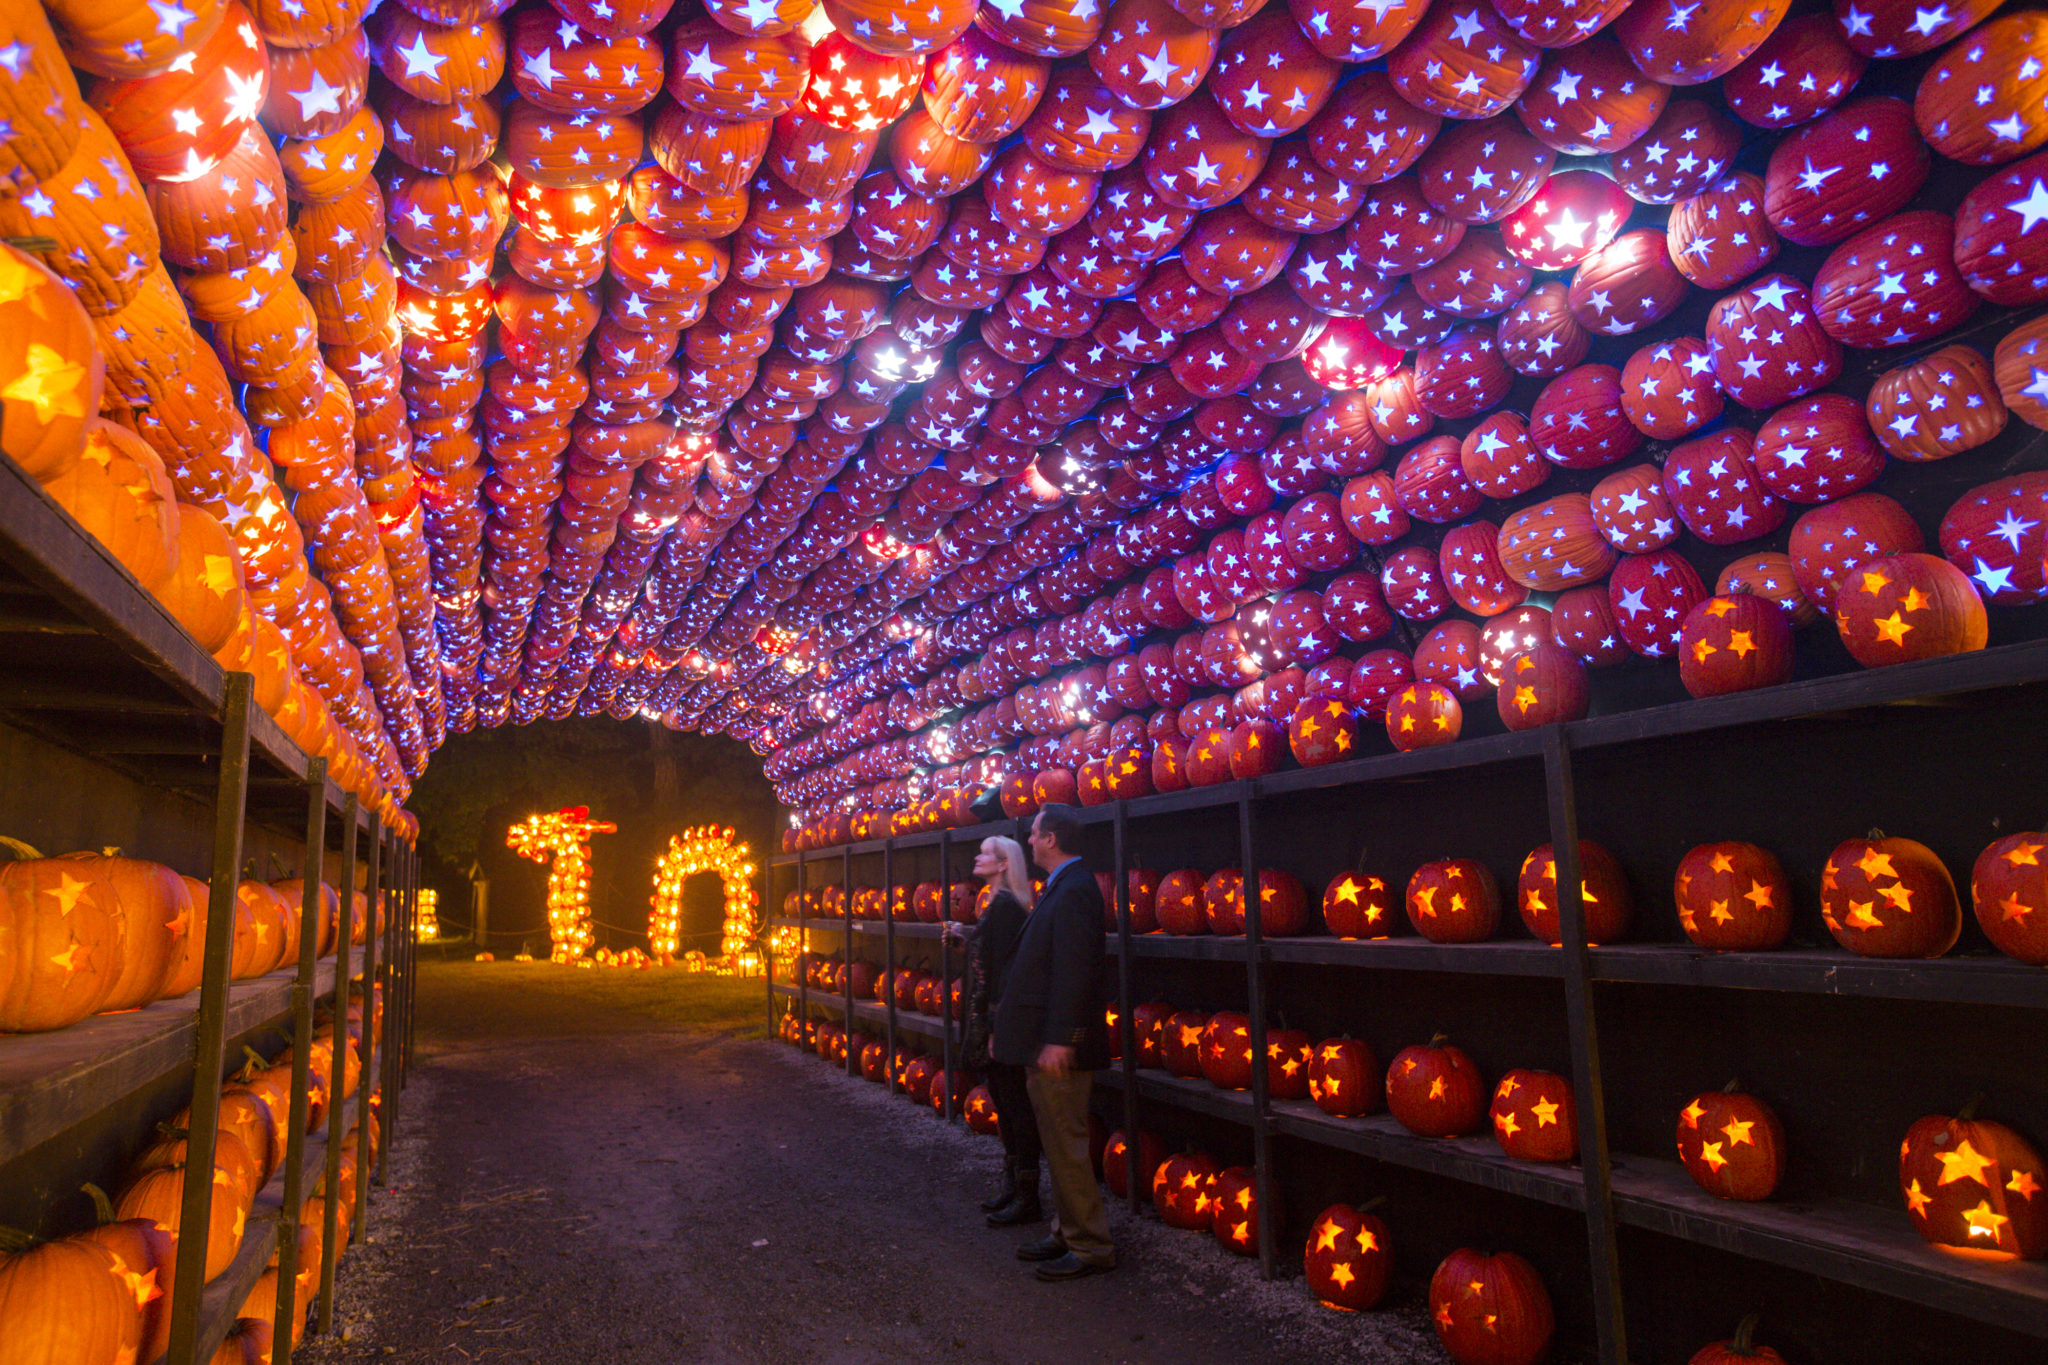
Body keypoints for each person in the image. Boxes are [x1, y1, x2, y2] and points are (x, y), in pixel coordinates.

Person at [993, 803, 1114, 1281]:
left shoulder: (1077, 889)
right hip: (1044, 1042)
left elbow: (1076, 971)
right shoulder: (1062, 887)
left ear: (1052, 839)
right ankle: (1067, 1231)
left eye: (1035, 833)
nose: (1028, 841)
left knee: (1066, 1145)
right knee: (1056, 1142)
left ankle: (1090, 1246)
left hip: (1060, 1048)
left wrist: (1063, 1039)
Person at [944, 836, 1041, 1225]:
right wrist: (965, 939)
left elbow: (1008, 975)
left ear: (1003, 865)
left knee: (1016, 1106)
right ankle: (1013, 1184)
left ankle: (1027, 1194)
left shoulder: (1006, 909)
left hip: (1002, 1021)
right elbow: (991, 958)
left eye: (985, 853)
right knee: (1003, 1101)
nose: (977, 856)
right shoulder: (998, 906)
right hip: (994, 1017)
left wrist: (997, 1029)